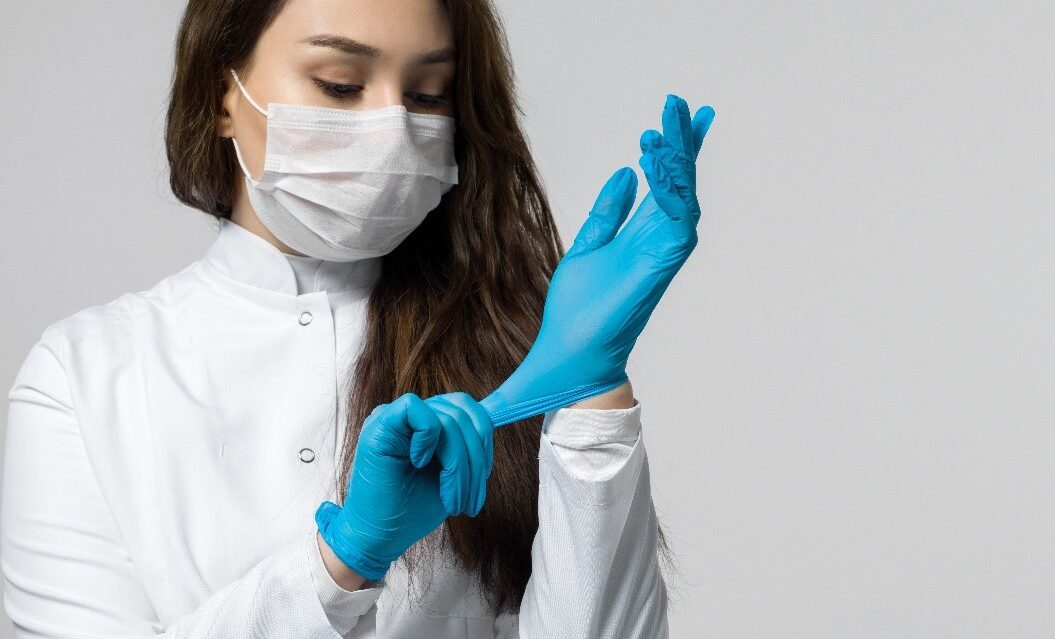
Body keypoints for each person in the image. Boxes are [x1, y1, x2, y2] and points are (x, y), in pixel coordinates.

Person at [0, 0, 714, 636]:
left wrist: (590, 392)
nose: (392, 130)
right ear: (222, 94)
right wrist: (343, 559)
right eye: (339, 85)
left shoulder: (507, 359)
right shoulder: (85, 376)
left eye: (427, 95)